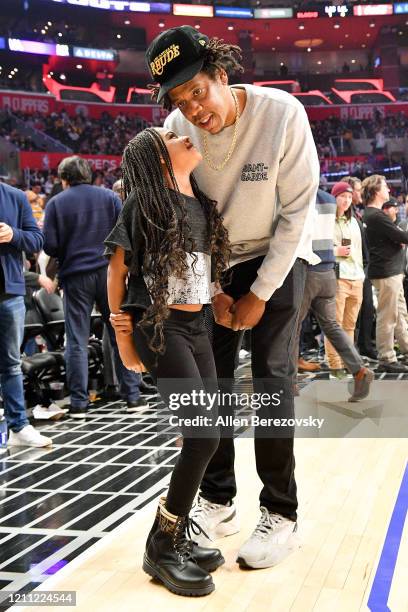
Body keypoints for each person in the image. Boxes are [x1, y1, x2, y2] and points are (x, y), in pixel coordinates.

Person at [116, 25, 319, 569]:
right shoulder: (175, 131)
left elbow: (298, 214)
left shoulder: (281, 114)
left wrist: (258, 292)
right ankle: (218, 498)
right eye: (180, 101)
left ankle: (282, 511)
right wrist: (213, 289)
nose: (194, 111)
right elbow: (182, 225)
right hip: (213, 264)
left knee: (273, 377)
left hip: (278, 257)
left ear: (222, 75)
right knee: (215, 384)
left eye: (199, 92)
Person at [106, 127, 229, 596]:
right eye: (174, 135)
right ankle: (163, 543)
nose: (186, 136)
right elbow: (116, 270)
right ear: (159, 158)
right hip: (160, 328)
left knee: (209, 436)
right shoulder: (142, 203)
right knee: (203, 436)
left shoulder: (197, 200)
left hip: (198, 327)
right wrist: (122, 339)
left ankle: (172, 534)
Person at [43, 156, 146, 418]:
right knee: (120, 330)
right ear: (89, 174)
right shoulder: (108, 197)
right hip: (108, 272)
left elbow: (50, 246)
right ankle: (132, 397)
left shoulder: (55, 203)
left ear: (63, 179)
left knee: (76, 339)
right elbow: (123, 233)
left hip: (75, 277)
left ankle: (79, 403)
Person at [294, 188, 373, 400]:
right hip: (329, 272)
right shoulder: (329, 199)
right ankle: (359, 369)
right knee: (332, 325)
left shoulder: (300, 196)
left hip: (307, 269)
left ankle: (289, 381)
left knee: (293, 326)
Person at [0, 182, 52, 447]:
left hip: (9, 293)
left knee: (11, 363)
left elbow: (36, 239)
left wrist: (13, 234)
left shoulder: (14, 196)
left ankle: (18, 426)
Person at [362, 175, 408, 373]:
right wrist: (399, 239)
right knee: (388, 317)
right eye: (385, 186)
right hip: (387, 273)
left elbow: (399, 237)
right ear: (375, 191)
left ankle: (405, 349)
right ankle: (387, 358)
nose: (388, 189)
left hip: (391, 272)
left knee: (400, 316)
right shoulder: (376, 216)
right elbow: (402, 236)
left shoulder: (373, 215)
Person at [324, 182, 365, 374]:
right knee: (335, 325)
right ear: (334, 197)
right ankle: (335, 366)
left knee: (350, 325)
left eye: (349, 197)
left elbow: (358, 251)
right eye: (343, 196)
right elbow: (318, 248)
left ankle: (348, 363)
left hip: (357, 278)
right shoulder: (325, 220)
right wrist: (336, 251)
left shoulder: (354, 221)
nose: (347, 200)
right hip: (338, 278)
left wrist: (362, 275)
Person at [343, 176, 376, 360]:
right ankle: (355, 349)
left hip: (362, 268)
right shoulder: (345, 215)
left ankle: (364, 346)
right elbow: (345, 243)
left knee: (366, 310)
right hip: (352, 270)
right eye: (356, 189)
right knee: (352, 315)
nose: (359, 193)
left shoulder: (356, 213)